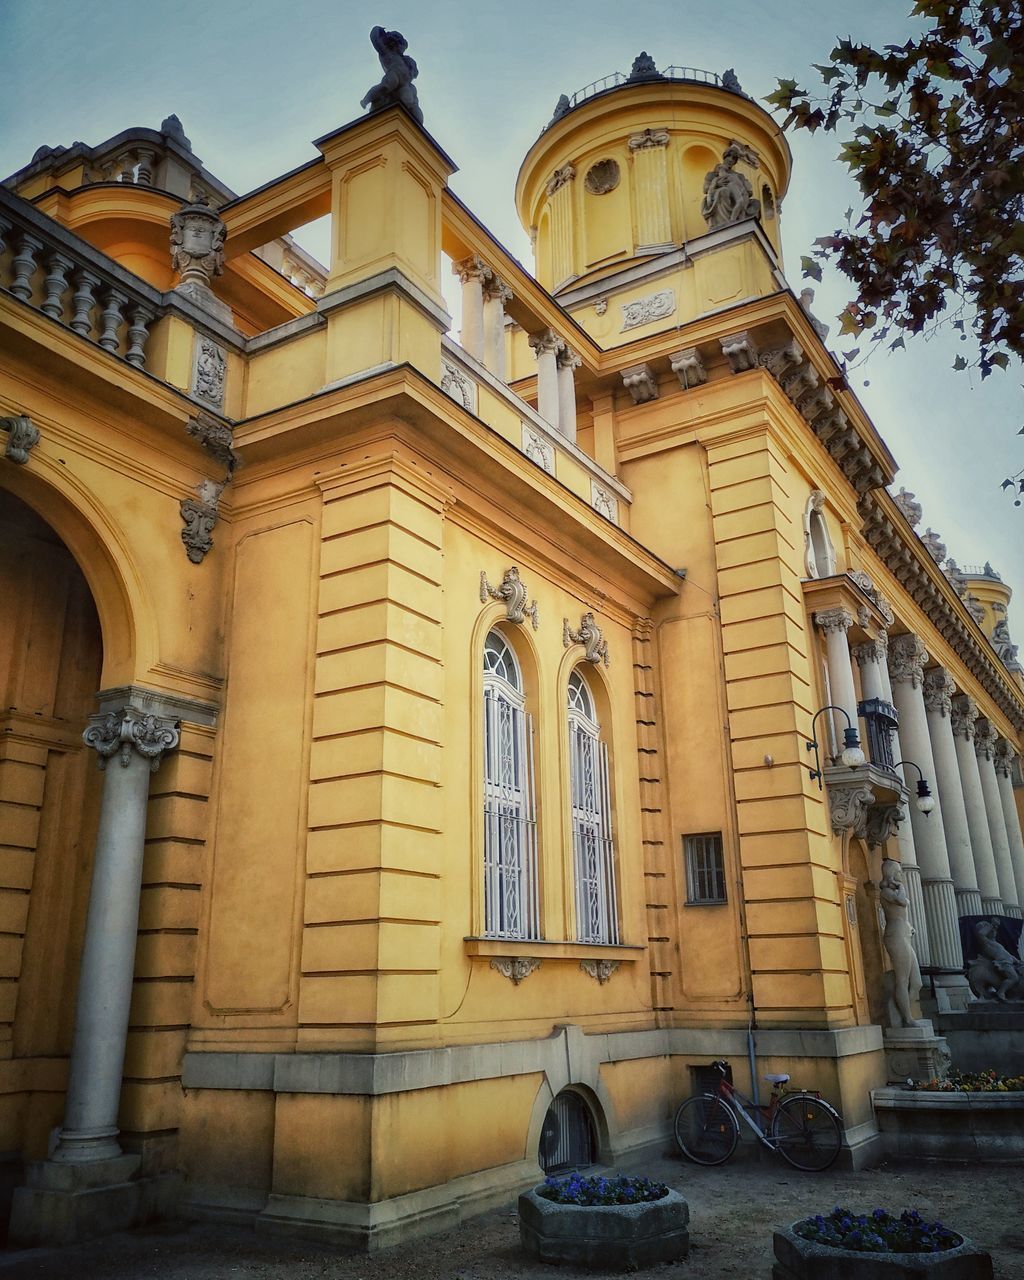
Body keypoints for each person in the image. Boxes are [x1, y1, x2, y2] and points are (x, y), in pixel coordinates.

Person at [879, 859, 923, 1027]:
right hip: (895, 935)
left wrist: (909, 926)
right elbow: (903, 901)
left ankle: (897, 1008)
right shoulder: (886, 892)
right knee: (902, 980)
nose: (901, 875)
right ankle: (906, 1018)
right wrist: (901, 887)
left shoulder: (894, 891)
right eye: (898, 872)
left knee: (917, 982)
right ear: (890, 874)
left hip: (904, 934)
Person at [360, 27, 423, 125]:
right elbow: (375, 38)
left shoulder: (405, 59)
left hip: (405, 83)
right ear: (395, 43)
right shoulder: (387, 52)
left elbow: (415, 71)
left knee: (410, 101)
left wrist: (411, 70)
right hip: (394, 74)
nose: (403, 50)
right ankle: (366, 100)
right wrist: (379, 30)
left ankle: (417, 125)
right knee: (385, 86)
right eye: (402, 46)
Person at [700, 143, 760, 229]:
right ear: (725, 157)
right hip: (721, 196)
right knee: (723, 191)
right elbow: (705, 189)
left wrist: (742, 189)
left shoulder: (739, 176)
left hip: (739, 195)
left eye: (734, 158)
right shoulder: (712, 175)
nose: (731, 160)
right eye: (730, 156)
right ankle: (725, 225)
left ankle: (742, 224)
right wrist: (716, 184)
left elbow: (749, 191)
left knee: (755, 203)